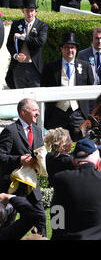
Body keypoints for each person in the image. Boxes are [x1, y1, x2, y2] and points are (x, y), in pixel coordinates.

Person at [0, 98, 47, 236]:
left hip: (31, 185)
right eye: (34, 110)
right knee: (8, 222)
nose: (38, 113)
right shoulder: (10, 131)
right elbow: (1, 156)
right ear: (23, 111)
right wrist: (19, 160)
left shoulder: (38, 131)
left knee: (41, 218)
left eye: (38, 110)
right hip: (12, 186)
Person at [41, 33, 94, 139]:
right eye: (66, 47)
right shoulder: (50, 67)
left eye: (72, 47)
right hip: (57, 112)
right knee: (55, 143)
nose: (70, 50)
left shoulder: (85, 66)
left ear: (76, 49)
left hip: (77, 112)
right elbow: (44, 87)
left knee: (84, 140)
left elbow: (90, 86)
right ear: (61, 49)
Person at [5, 0, 48, 89]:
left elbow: (40, 41)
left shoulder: (42, 26)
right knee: (20, 96)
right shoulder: (16, 24)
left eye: (32, 10)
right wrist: (15, 56)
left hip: (34, 67)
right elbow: (9, 44)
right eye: (27, 10)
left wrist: (23, 37)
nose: (29, 13)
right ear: (22, 10)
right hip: (18, 67)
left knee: (35, 96)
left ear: (36, 11)